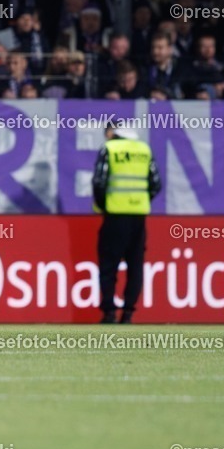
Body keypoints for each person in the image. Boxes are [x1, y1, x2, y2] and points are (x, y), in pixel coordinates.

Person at [92, 122, 162, 324]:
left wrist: (105, 205)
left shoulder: (110, 149)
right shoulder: (144, 150)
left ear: (112, 133)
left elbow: (99, 181)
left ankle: (109, 313)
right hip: (138, 215)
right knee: (135, 265)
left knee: (108, 266)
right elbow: (156, 183)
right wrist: (140, 200)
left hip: (115, 214)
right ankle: (129, 313)